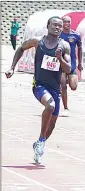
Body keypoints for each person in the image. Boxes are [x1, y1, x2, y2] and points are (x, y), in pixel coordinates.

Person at [5, 16, 72, 164]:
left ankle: (39, 142)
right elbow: (21, 48)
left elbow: (68, 69)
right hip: (39, 85)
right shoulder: (37, 42)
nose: (57, 27)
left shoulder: (64, 46)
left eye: (60, 26)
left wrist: (60, 59)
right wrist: (12, 67)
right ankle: (41, 140)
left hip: (55, 88)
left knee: (52, 125)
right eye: (54, 24)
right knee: (50, 105)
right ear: (47, 26)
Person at [59, 16, 83, 117]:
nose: (67, 24)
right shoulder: (58, 34)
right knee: (63, 87)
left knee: (73, 87)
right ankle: (65, 108)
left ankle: (69, 78)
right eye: (65, 22)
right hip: (61, 63)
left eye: (69, 22)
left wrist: (80, 63)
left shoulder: (76, 35)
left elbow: (80, 48)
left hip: (72, 63)